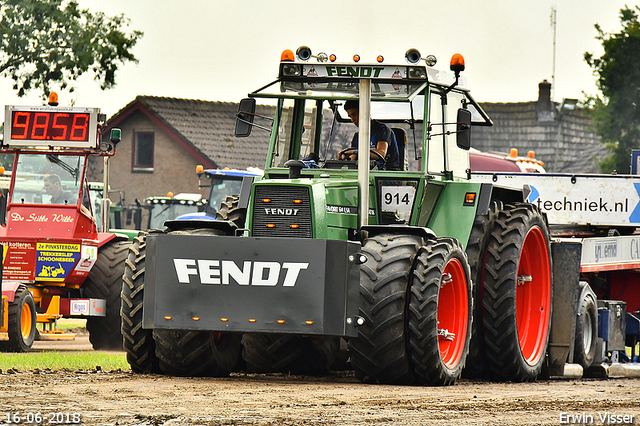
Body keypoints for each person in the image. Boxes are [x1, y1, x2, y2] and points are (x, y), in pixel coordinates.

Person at [337, 99, 401, 170]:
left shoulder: (382, 130)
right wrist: (345, 156)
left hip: (386, 176)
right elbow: (353, 159)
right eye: (350, 116)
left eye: (354, 114)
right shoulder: (357, 136)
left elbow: (381, 154)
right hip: (366, 173)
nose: (352, 119)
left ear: (364, 112)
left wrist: (355, 151)